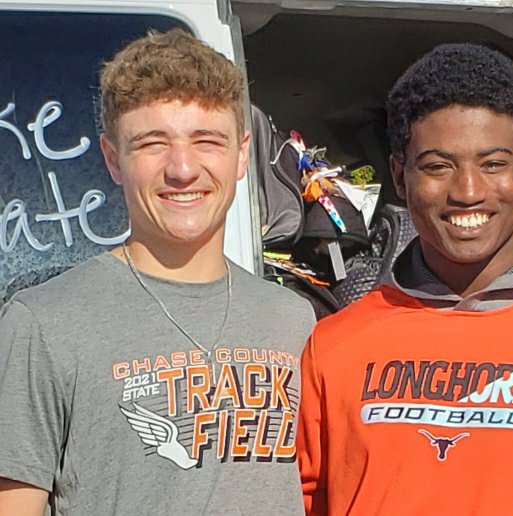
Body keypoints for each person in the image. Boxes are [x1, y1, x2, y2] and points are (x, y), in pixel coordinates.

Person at [297, 43, 513, 515]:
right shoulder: (332, 346)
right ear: (400, 177)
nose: (467, 192)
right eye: (438, 166)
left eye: (493, 164)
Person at [0, 28, 314, 515]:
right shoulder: (42, 323)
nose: (182, 169)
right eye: (152, 144)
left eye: (207, 141)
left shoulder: (294, 320)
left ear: (241, 155)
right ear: (112, 160)